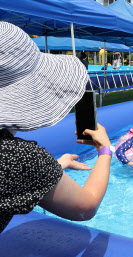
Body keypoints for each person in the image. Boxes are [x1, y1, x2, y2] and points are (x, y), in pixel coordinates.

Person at [0, 22, 113, 234]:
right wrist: (105, 150)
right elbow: (85, 207)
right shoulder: (19, 158)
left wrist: (53, 168)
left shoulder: (19, 163)